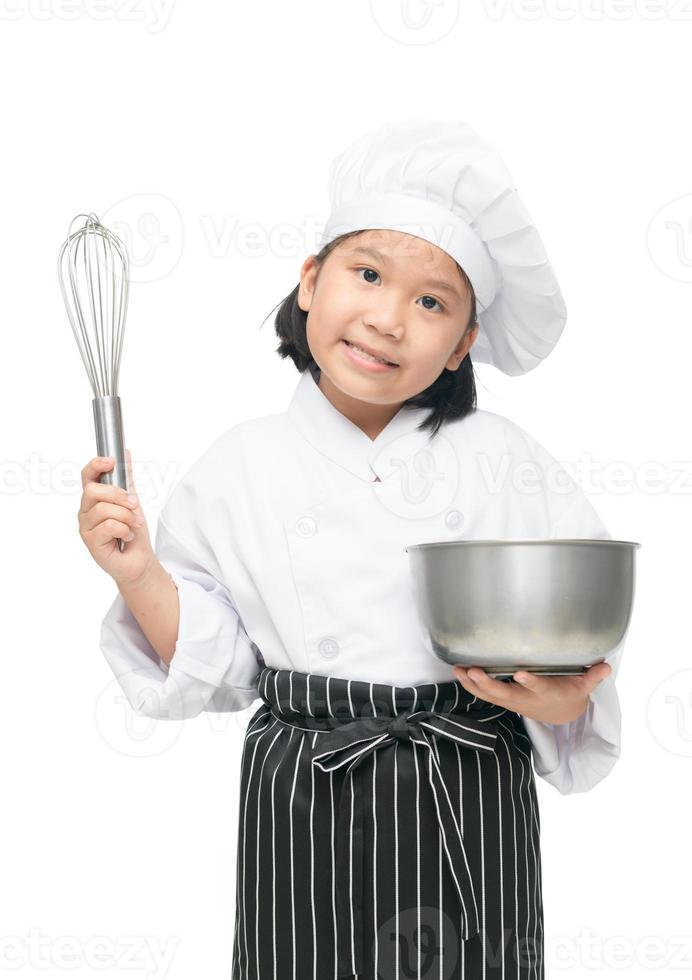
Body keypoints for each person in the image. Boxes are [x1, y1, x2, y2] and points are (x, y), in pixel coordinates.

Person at [79, 119, 626, 980]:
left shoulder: (504, 458)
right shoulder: (238, 466)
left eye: (432, 302)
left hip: (467, 778)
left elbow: (575, 630)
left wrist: (561, 701)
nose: (387, 318)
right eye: (368, 274)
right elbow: (214, 663)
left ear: (463, 345)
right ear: (309, 281)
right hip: (304, 792)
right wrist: (139, 570)